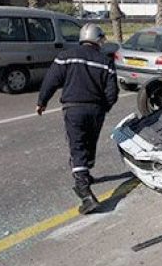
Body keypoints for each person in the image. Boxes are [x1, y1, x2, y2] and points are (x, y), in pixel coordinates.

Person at [36, 24, 118, 214]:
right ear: (98, 40)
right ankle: (85, 173)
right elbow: (112, 92)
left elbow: (51, 80)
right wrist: (103, 108)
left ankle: (85, 194)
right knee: (89, 143)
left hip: (74, 109)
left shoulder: (66, 56)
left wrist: (42, 101)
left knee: (77, 146)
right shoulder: (105, 61)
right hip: (96, 110)